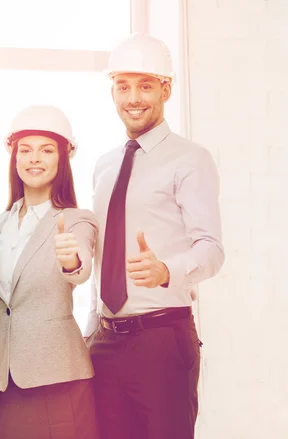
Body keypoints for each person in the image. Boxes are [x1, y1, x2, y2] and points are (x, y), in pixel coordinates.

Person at [86, 33, 225, 439]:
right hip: (106, 341)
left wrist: (167, 269)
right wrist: (93, 325)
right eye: (123, 86)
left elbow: (212, 250)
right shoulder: (104, 165)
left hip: (162, 339)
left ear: (165, 88)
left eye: (145, 85)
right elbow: (103, 254)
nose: (133, 98)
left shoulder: (190, 159)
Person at [0, 105, 100, 439]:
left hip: (58, 380)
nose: (34, 159)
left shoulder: (76, 219)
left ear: (62, 159)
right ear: (14, 158)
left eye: (46, 150)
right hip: (3, 386)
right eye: (25, 150)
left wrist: (71, 260)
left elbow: (81, 267)